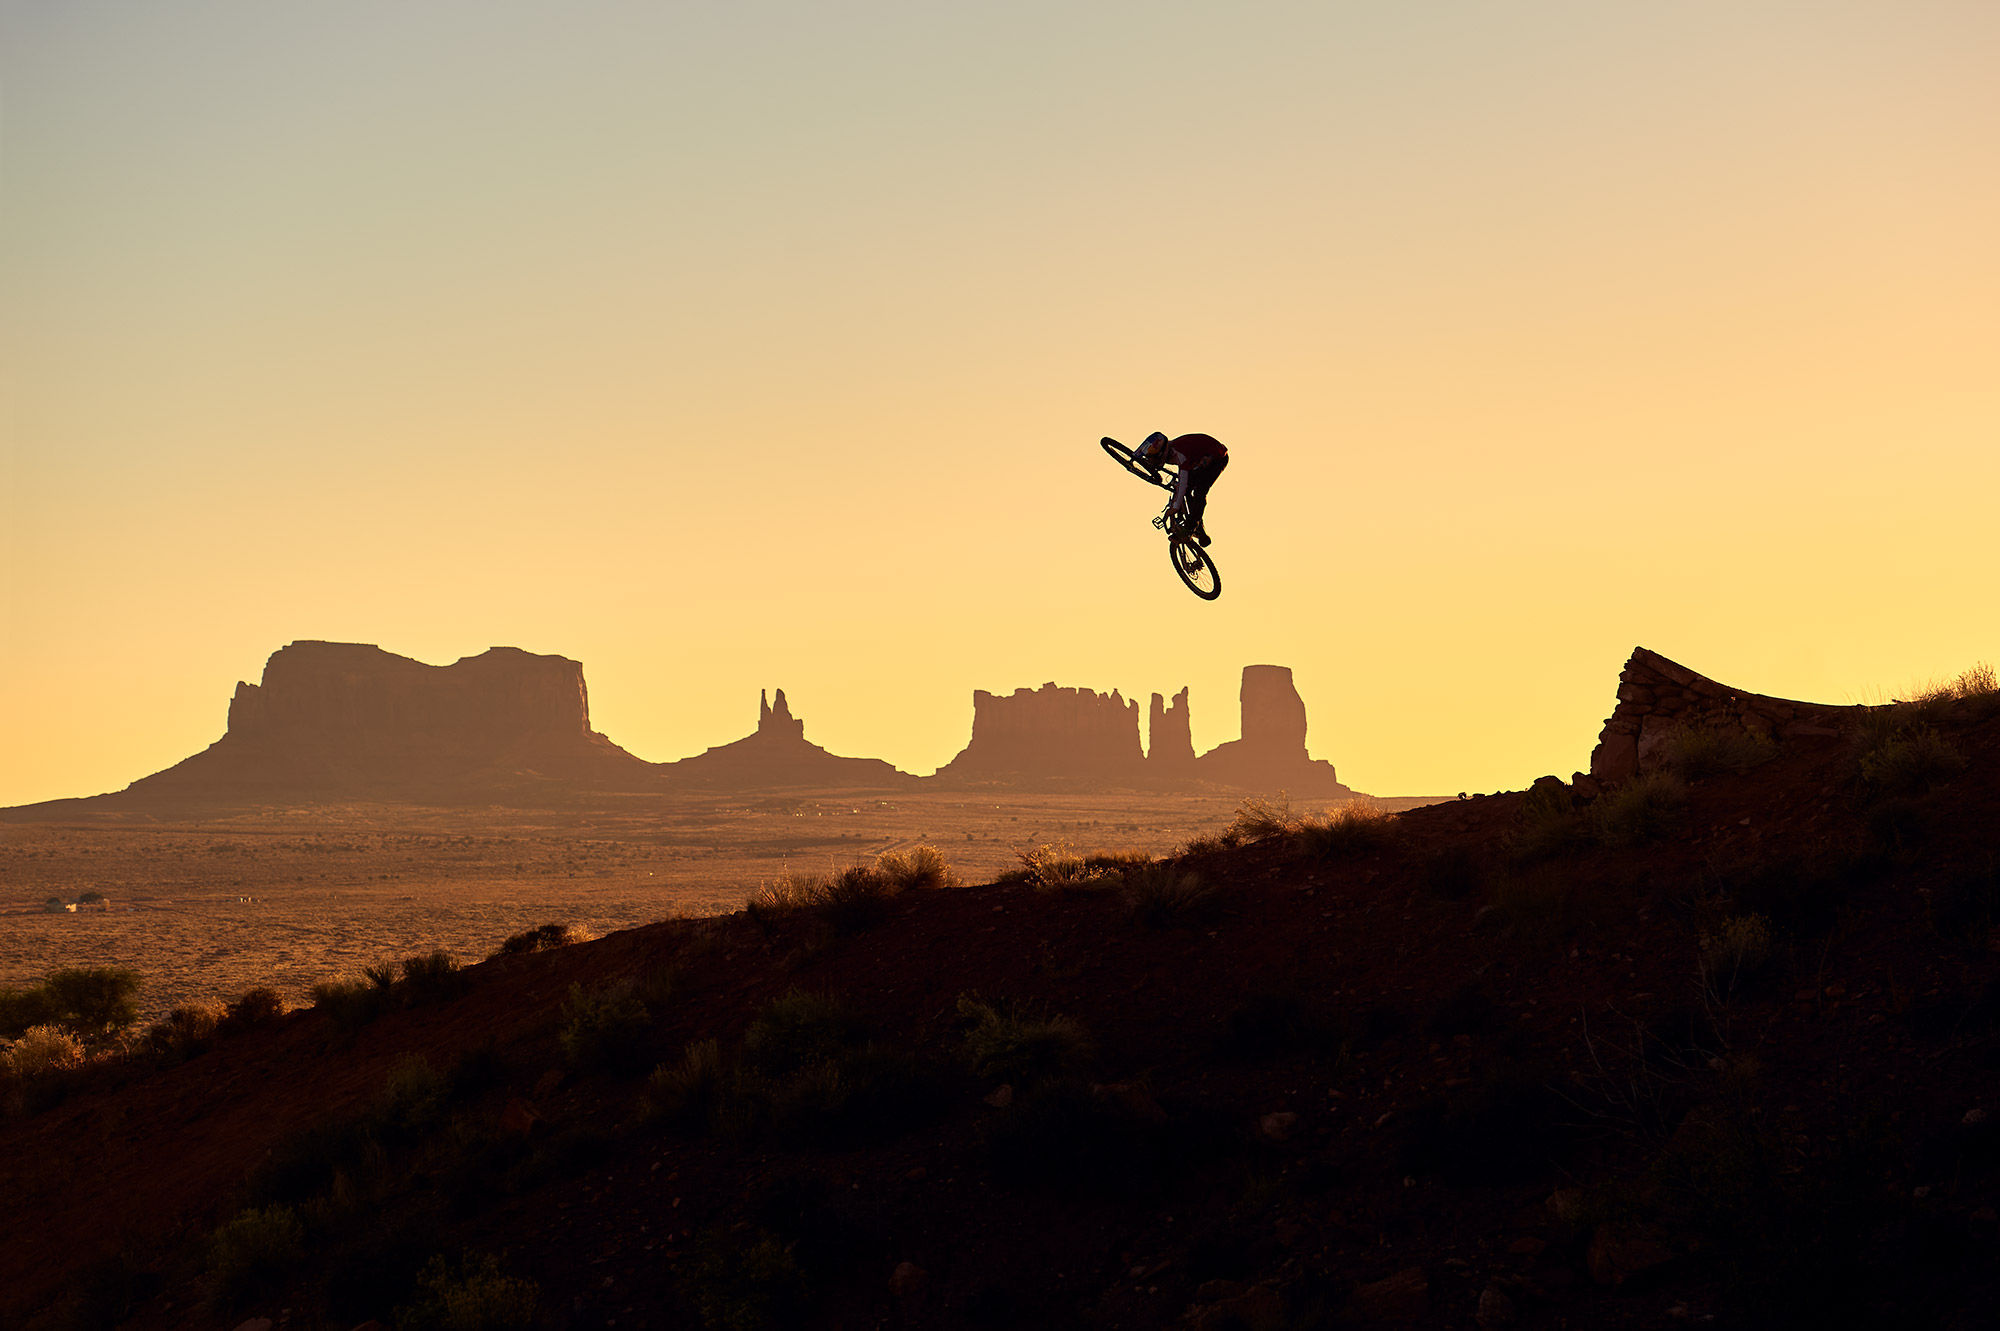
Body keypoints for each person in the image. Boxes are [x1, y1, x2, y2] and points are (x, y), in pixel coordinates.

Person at [1134, 431, 1228, 546]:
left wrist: (1175, 507)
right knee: (1188, 489)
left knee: (1199, 491)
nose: (1152, 461)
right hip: (1200, 457)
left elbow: (1183, 481)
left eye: (1153, 459)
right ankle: (1199, 530)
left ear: (1161, 455)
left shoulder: (1180, 455)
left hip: (1217, 459)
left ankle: (1190, 528)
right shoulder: (1172, 449)